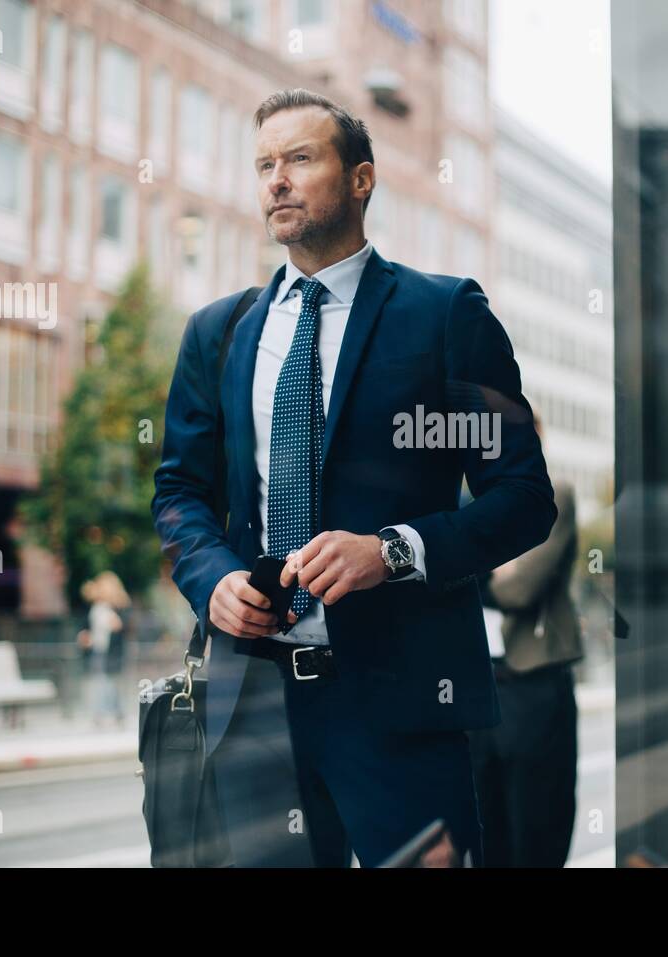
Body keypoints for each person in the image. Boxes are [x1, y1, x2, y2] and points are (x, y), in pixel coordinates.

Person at [152, 88, 555, 867]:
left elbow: (523, 498)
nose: (276, 180)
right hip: (256, 706)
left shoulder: (444, 317)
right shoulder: (218, 332)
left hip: (403, 705)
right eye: (264, 164)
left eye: (300, 159)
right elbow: (179, 493)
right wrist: (214, 581)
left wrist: (394, 551)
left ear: (361, 179)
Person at [469, 413, 583, 867]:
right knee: (483, 834)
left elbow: (519, 587)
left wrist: (455, 558)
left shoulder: (553, 495)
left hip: (532, 682)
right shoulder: (462, 498)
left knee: (537, 831)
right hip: (476, 687)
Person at [78, 573, 127, 728]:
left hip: (111, 653)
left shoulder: (116, 610)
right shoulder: (94, 609)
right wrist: (84, 637)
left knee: (111, 683)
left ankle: (116, 712)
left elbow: (123, 628)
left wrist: (118, 626)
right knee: (98, 682)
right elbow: (87, 628)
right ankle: (99, 714)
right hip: (96, 651)